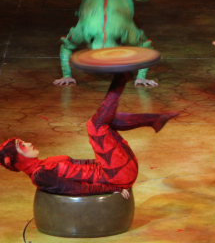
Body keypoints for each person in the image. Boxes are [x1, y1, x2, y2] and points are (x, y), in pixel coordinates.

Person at [1, 73, 178, 197]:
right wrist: (113, 189)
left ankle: (153, 118)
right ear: (14, 160)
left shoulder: (45, 165)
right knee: (94, 126)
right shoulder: (40, 176)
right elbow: (76, 189)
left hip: (115, 171)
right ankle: (119, 82)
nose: (29, 144)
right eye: (22, 146)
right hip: (115, 177)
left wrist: (103, 162)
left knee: (105, 123)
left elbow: (83, 166)